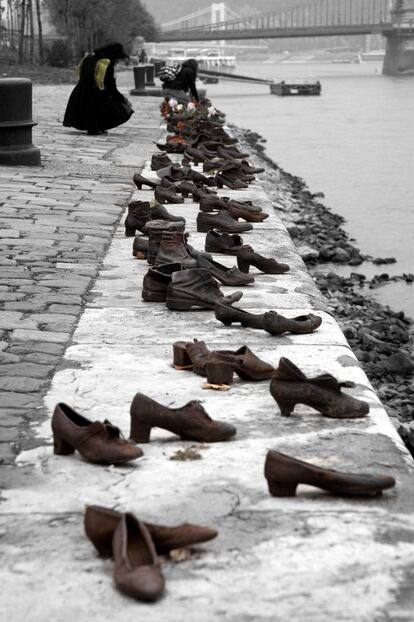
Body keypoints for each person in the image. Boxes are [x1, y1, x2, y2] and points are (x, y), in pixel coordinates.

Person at [63, 42, 133, 135]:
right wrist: (124, 100)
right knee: (115, 107)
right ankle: (98, 126)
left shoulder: (88, 58)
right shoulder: (105, 64)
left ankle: (96, 126)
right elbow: (111, 88)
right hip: (96, 98)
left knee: (98, 100)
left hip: (79, 96)